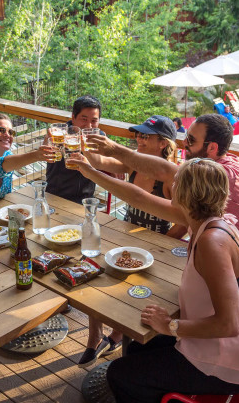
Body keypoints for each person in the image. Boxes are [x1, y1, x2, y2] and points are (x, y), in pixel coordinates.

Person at [105, 159, 239, 403]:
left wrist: (171, 325)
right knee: (136, 352)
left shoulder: (212, 242)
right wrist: (88, 170)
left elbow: (229, 324)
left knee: (121, 374)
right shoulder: (212, 222)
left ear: (182, 194)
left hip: (232, 362)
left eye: (175, 181)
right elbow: (139, 197)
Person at [81, 114, 239, 278]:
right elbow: (148, 188)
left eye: (191, 140)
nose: (184, 143)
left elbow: (163, 174)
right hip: (213, 257)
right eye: (186, 137)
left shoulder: (221, 175)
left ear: (212, 148)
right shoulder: (206, 167)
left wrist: (115, 150)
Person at [76, 115, 180, 367]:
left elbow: (183, 223)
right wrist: (82, 145)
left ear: (163, 144)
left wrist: (157, 246)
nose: (139, 140)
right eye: (138, 135)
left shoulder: (170, 177)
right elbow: (101, 161)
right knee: (90, 264)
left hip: (156, 246)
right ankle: (94, 336)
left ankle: (118, 335)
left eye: (146, 136)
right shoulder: (134, 165)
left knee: (131, 291)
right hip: (126, 237)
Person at [45, 96, 104, 203]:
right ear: (73, 117)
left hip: (85, 200)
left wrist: (114, 169)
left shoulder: (99, 137)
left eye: (94, 121)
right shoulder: (58, 134)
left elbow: (104, 162)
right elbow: (47, 150)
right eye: (84, 119)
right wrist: (48, 142)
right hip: (55, 197)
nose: (89, 126)